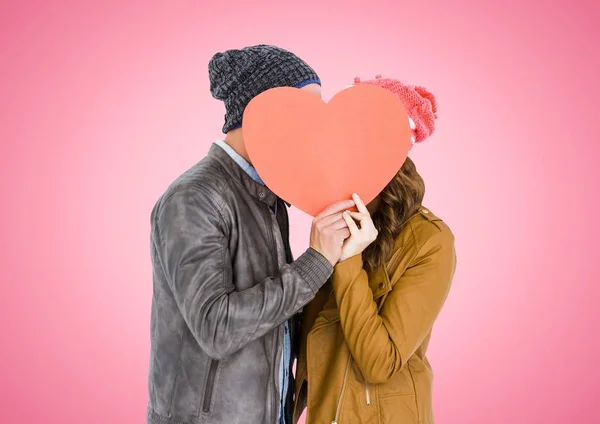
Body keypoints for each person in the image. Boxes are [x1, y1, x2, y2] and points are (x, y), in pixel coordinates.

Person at [147, 45, 354, 424]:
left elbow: (276, 314)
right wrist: (316, 262)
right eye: (303, 115)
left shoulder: (268, 196)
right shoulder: (194, 197)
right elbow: (217, 328)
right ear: (261, 113)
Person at [293, 75, 457, 424]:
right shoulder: (334, 215)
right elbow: (305, 337)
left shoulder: (430, 241)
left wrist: (349, 260)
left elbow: (379, 363)